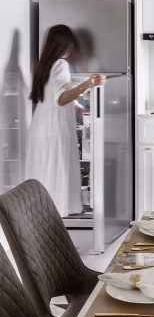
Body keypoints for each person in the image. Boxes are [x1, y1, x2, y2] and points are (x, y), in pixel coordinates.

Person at [25, 24, 105, 216]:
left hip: (41, 128)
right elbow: (61, 98)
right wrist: (88, 83)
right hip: (56, 128)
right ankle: (58, 218)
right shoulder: (61, 64)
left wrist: (81, 91)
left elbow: (56, 91)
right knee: (57, 174)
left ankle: (41, 221)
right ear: (64, 44)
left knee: (43, 176)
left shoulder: (43, 65)